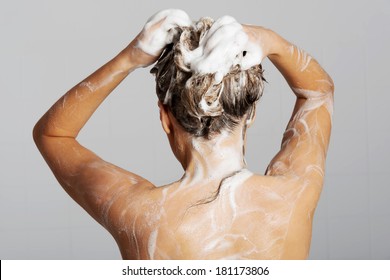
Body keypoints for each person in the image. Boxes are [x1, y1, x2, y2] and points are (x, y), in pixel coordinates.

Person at [33, 9, 334, 259]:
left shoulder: (139, 215)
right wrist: (270, 40)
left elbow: (53, 135)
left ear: (165, 118)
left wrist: (129, 58)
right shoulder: (295, 194)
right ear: (250, 114)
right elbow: (318, 92)